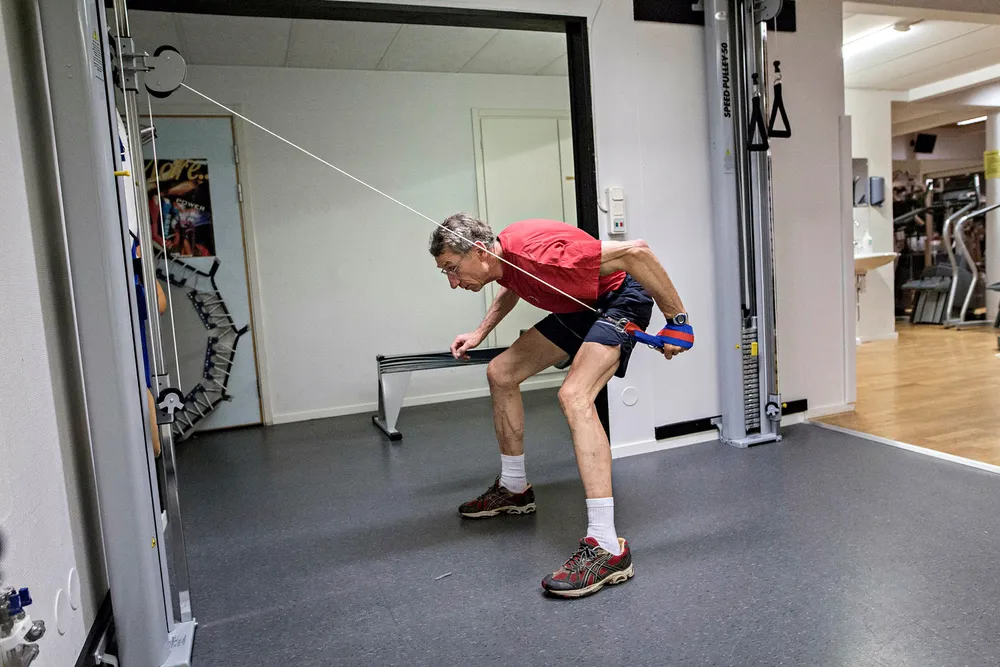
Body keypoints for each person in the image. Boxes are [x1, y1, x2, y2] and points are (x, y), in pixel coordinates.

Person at [429, 213, 691, 598]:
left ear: (480, 252)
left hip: (620, 298)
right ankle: (514, 489)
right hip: (580, 305)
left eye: (452, 269)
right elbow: (513, 282)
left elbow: (636, 253)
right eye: (445, 273)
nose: (453, 282)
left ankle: (606, 547)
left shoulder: (542, 255)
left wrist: (677, 321)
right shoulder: (502, 258)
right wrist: (480, 332)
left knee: (574, 395)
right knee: (501, 372)